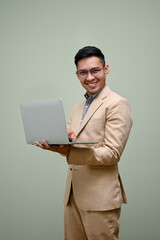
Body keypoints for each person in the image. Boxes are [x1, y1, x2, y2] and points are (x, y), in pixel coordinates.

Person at [35, 46, 133, 240]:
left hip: (100, 198)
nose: (89, 77)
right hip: (73, 196)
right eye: (83, 72)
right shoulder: (76, 108)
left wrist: (71, 153)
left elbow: (112, 153)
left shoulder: (117, 104)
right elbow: (72, 147)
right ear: (77, 75)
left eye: (95, 70)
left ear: (106, 69)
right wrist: (61, 146)